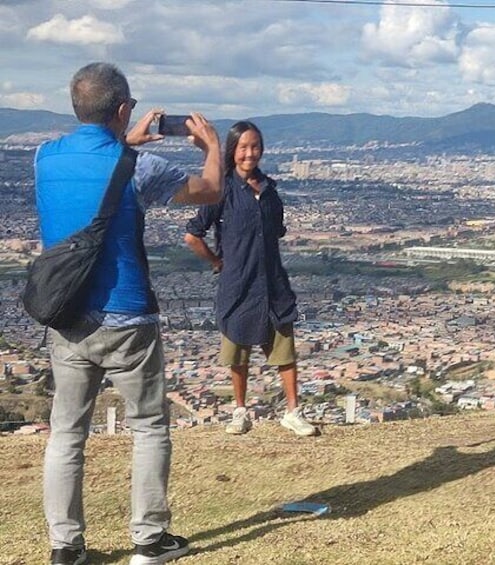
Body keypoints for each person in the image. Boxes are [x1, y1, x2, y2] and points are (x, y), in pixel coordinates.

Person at [35, 62, 222, 565]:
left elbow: (96, 171)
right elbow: (210, 191)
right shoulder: (140, 166)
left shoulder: (42, 156)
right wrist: (212, 147)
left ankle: (65, 547)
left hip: (67, 314)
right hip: (128, 315)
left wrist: (127, 137)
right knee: (148, 427)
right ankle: (149, 539)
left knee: (67, 433)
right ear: (123, 109)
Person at [184, 121, 317, 437]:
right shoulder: (220, 189)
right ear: (232, 150)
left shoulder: (270, 190)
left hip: (272, 283)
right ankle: (240, 411)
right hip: (238, 284)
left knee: (285, 352)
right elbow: (193, 235)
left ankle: (292, 411)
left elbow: (277, 232)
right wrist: (218, 263)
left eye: (255, 146)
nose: (250, 153)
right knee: (237, 352)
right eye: (243, 147)